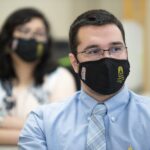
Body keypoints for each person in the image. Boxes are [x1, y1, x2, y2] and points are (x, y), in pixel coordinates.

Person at [18, 9, 150, 150]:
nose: (107, 58)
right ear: (75, 63)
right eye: (93, 51)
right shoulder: (42, 122)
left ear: (126, 52)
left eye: (116, 49)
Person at [0, 8, 76, 145]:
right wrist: (40, 131)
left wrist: (3, 121)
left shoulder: (60, 77)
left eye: (39, 33)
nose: (32, 37)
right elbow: (48, 133)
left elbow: (60, 132)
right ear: (8, 41)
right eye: (24, 31)